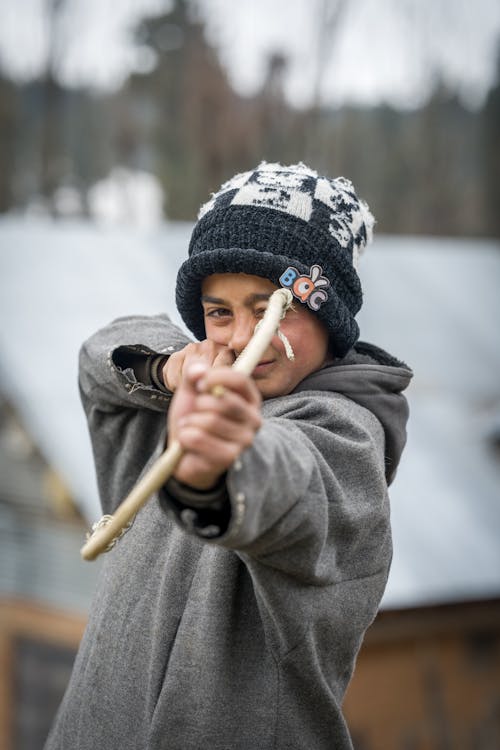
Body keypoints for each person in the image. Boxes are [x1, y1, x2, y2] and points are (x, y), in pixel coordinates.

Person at [45, 162, 412, 750]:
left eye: (272, 308)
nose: (241, 337)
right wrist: (168, 367)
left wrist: (218, 464)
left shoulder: (346, 437)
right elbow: (99, 359)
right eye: (219, 312)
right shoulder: (183, 397)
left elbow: (289, 485)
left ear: (327, 310)